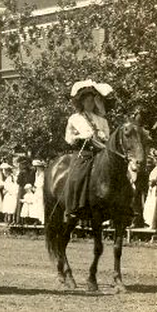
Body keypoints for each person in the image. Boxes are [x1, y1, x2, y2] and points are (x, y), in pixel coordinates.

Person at [62, 80, 111, 222]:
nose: (90, 103)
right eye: (87, 101)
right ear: (81, 102)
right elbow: (68, 138)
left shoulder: (101, 120)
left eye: (92, 101)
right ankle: (74, 207)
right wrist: (80, 136)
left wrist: (103, 136)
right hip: (84, 152)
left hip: (101, 152)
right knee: (78, 174)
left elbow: (107, 136)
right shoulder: (74, 119)